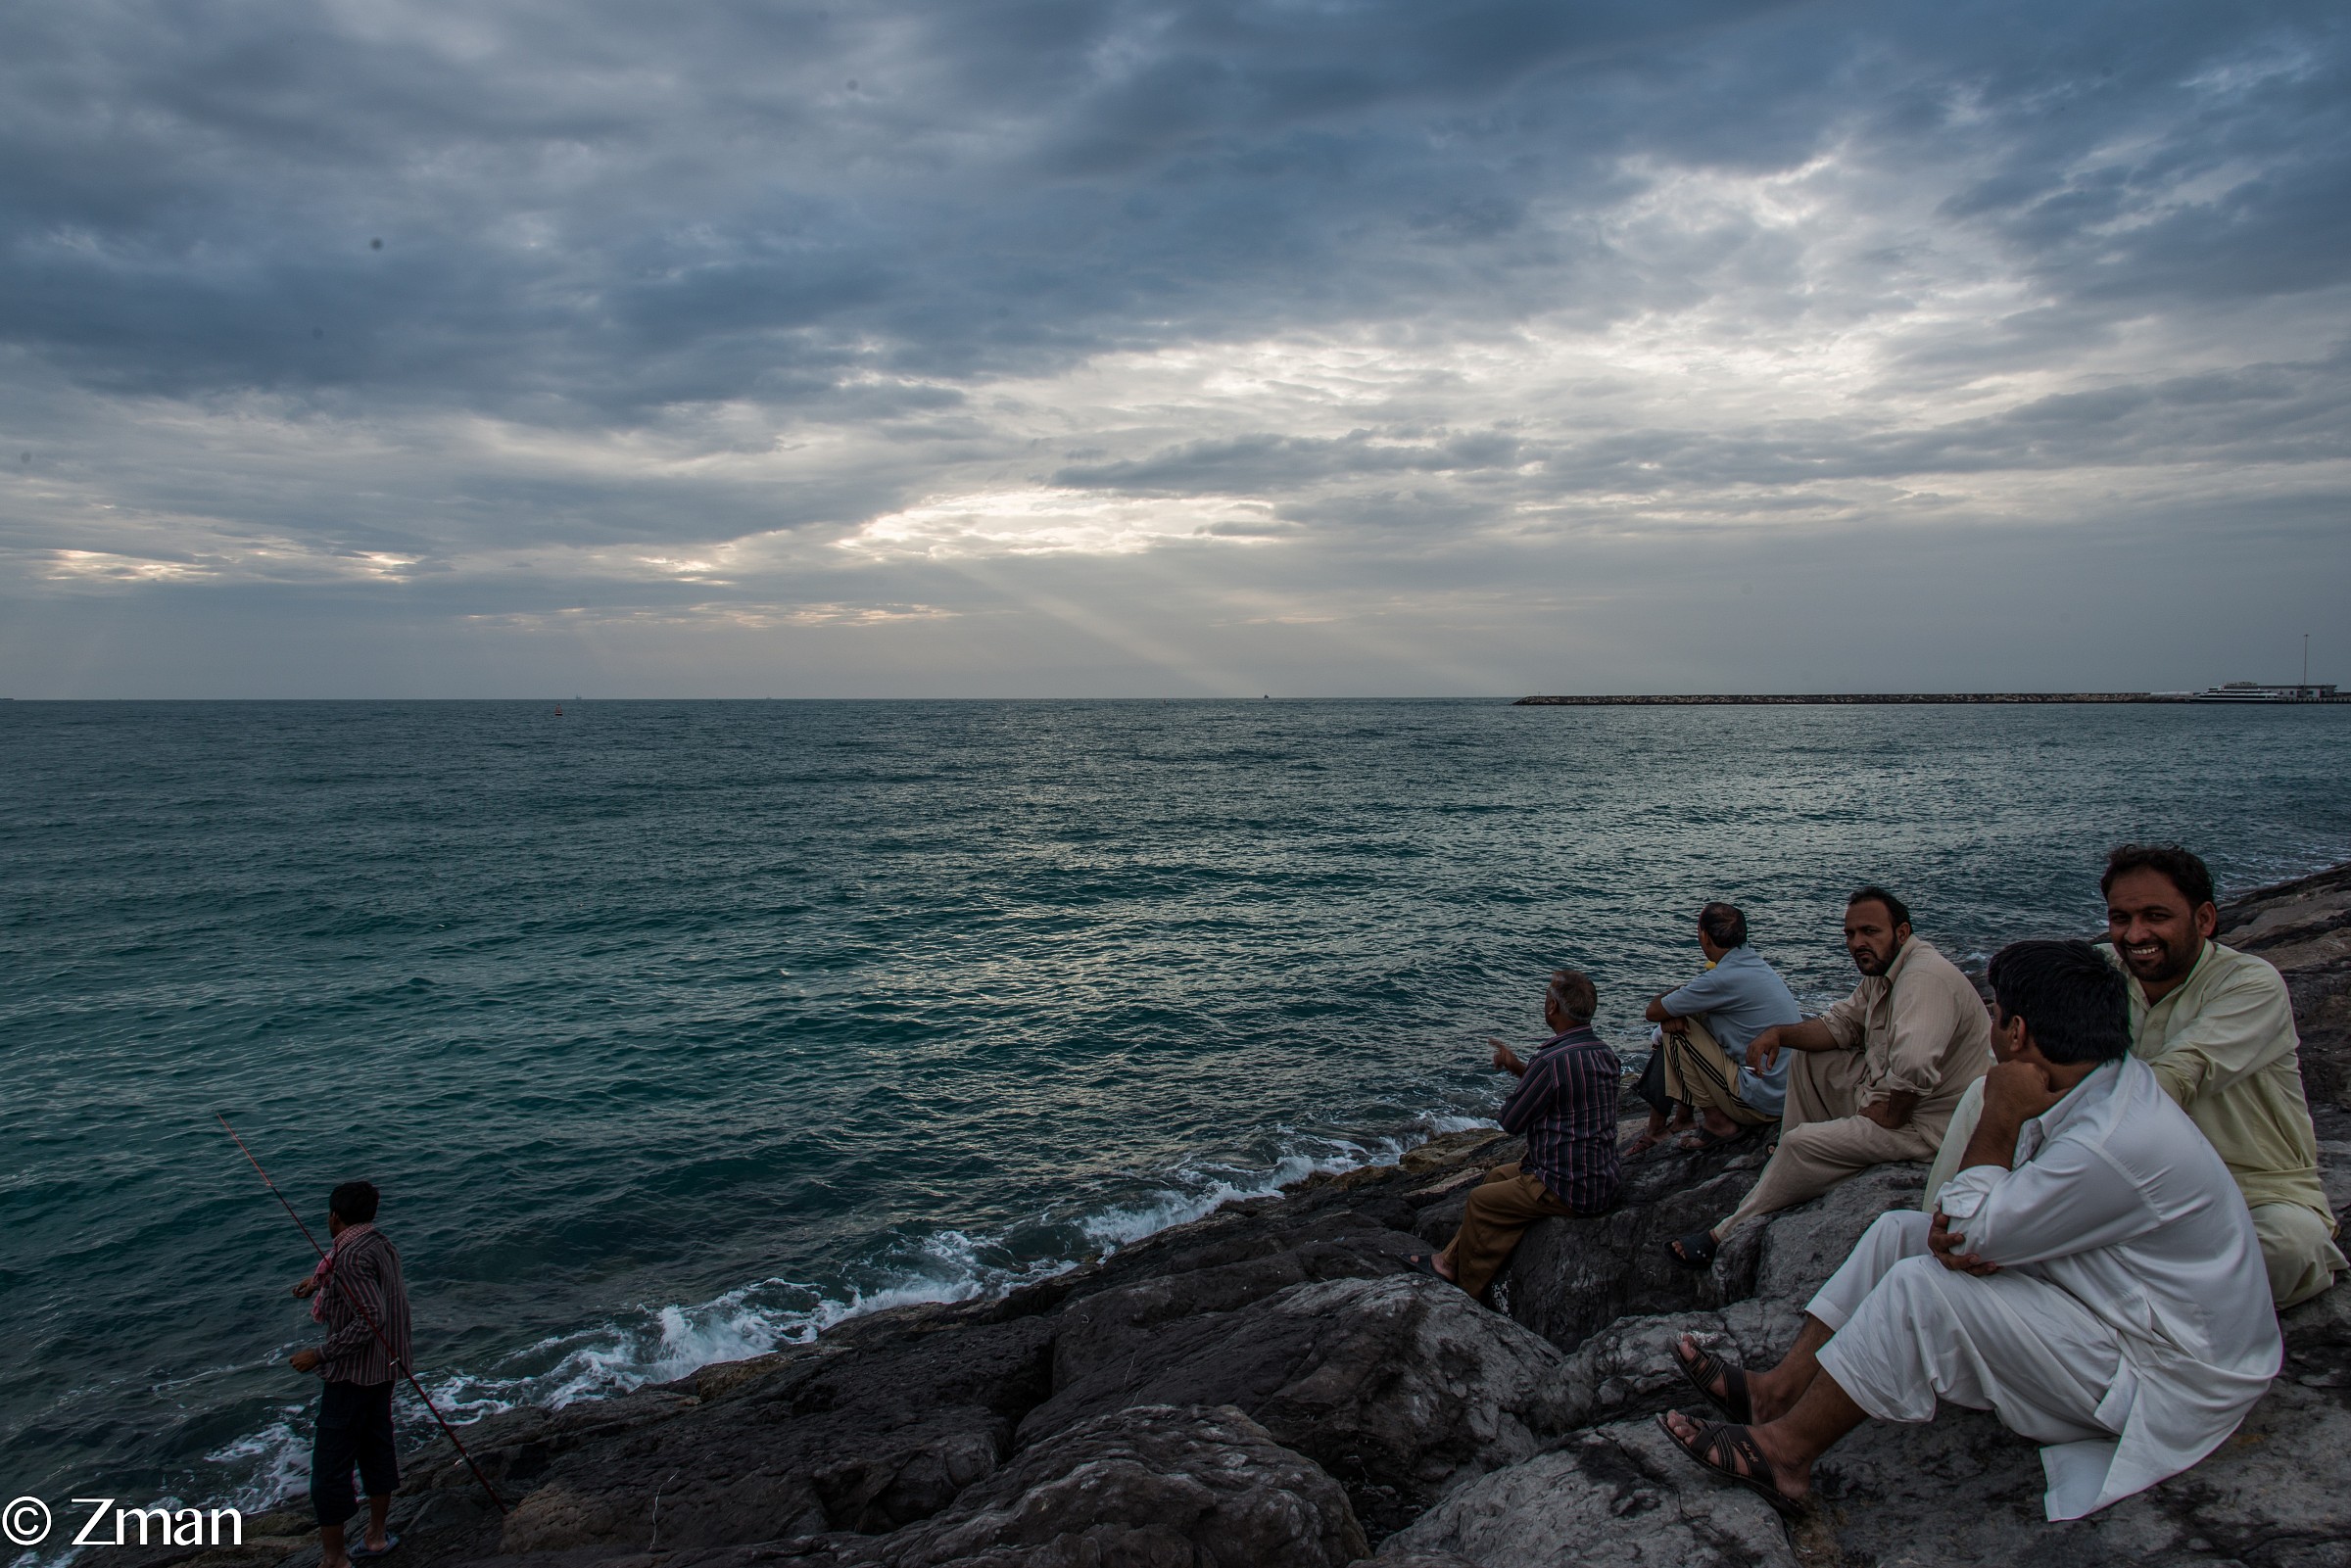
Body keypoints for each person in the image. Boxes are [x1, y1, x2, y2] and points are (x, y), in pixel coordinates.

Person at [1657, 939, 2279, 1522]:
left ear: (2020, 1034)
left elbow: (1960, 1233)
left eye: (1997, 1012)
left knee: (1922, 1287)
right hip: (2132, 1310)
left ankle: (1786, 1454)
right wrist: (1970, 1232)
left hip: (2169, 1372)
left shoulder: (2110, 1142)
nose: (1990, 1022)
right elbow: (1963, 1227)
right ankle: (1777, 1391)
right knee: (1899, 1231)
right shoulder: (2100, 1087)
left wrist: (1998, 1113)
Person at [1924, 843, 2342, 1307]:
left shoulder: (2249, 985)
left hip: (2252, 1188)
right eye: (2120, 918)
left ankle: (2056, 1282)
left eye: (2155, 916)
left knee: (2291, 1244)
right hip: (2113, 1178)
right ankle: (1945, 1230)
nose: (2135, 933)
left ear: (2204, 920)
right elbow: (2014, 1057)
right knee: (1987, 1092)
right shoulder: (2101, 973)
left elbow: (2176, 1079)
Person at [1668, 886, 1989, 1267]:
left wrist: (1890, 1115)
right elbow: (1841, 1026)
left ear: (1901, 933)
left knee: (1802, 1144)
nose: (1858, 943)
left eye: (1870, 932)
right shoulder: (1885, 971)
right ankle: (1794, 1153)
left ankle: (1724, 1233)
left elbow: (1915, 1066)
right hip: (1883, 1093)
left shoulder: (1922, 979)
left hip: (1924, 1124)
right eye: (1851, 934)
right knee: (1807, 1056)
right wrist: (1781, 1034)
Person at [1410, 969, 1623, 1300]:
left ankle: (1467, 1290)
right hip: (1601, 1175)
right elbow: (1567, 1091)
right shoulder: (1604, 1053)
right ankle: (1447, 1261)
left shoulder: (1550, 1060)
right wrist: (1519, 1068)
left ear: (1552, 1008)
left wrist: (1523, 1074)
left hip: (1567, 1185)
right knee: (1496, 1175)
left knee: (1481, 1201)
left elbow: (1511, 1121)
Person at [290, 1181, 411, 1568]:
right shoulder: (377, 1243)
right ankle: (375, 1537)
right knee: (377, 1450)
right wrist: (316, 1283)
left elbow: (370, 1317)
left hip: (352, 1374)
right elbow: (365, 1286)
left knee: (329, 1468)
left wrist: (319, 1354)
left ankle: (334, 1559)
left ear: (334, 1216)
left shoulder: (350, 1256)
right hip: (385, 1366)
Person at [1631, 902, 1802, 1154]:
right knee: (1687, 1017)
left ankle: (1717, 1124)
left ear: (1704, 936)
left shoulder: (1723, 978)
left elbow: (1653, 1011)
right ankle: (1682, 1118)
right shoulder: (1752, 964)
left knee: (1676, 1033)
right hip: (1784, 1094)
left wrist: (1677, 1005)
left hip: (1763, 1102)